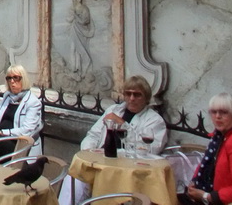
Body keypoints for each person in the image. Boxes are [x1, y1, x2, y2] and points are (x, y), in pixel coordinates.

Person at [59, 75, 168, 205]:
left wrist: (123, 125)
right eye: (128, 94)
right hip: (101, 161)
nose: (132, 99)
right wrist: (89, 151)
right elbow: (93, 134)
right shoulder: (114, 110)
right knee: (75, 177)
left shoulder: (154, 120)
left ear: (146, 98)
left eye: (137, 95)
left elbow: (150, 149)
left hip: (127, 169)